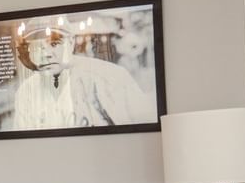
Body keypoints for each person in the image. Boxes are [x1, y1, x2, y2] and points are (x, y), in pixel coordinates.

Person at [9, 19, 153, 130]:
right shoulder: (26, 92)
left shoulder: (109, 78)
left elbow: (143, 132)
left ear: (71, 42)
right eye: (36, 47)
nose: (46, 54)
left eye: (54, 44)